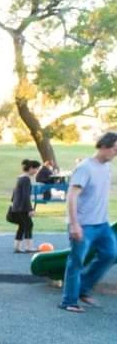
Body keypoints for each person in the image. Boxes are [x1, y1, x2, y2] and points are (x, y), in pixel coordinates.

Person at [59, 132, 117, 313]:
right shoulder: (85, 168)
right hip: (83, 225)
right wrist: (75, 224)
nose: (116, 153)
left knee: (110, 255)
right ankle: (69, 301)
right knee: (76, 262)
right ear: (104, 147)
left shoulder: (107, 168)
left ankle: (82, 289)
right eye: (115, 149)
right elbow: (72, 196)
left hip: (102, 224)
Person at [9, 161, 37, 252]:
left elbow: (14, 194)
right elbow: (26, 196)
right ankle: (29, 247)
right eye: (36, 169)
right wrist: (30, 209)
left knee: (22, 225)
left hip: (17, 206)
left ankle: (17, 247)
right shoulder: (26, 179)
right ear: (31, 168)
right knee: (29, 225)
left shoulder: (20, 178)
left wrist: (14, 204)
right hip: (22, 207)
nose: (36, 171)